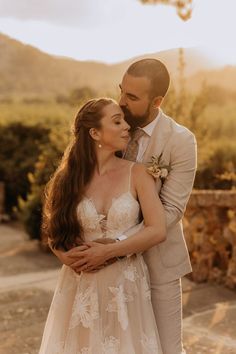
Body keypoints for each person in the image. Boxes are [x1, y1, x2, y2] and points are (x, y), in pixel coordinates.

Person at [59, 59, 197, 354]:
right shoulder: (114, 128)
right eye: (122, 91)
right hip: (105, 276)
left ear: (157, 102)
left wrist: (115, 244)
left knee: (166, 350)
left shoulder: (181, 141)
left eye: (132, 98)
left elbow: (171, 211)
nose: (121, 102)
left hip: (158, 264)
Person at [39, 97, 166, 353]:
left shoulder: (138, 173)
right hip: (81, 285)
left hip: (125, 284)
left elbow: (157, 229)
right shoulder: (68, 178)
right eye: (117, 121)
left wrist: (109, 251)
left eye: (124, 120)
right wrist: (65, 257)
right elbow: (54, 232)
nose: (126, 126)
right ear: (94, 132)